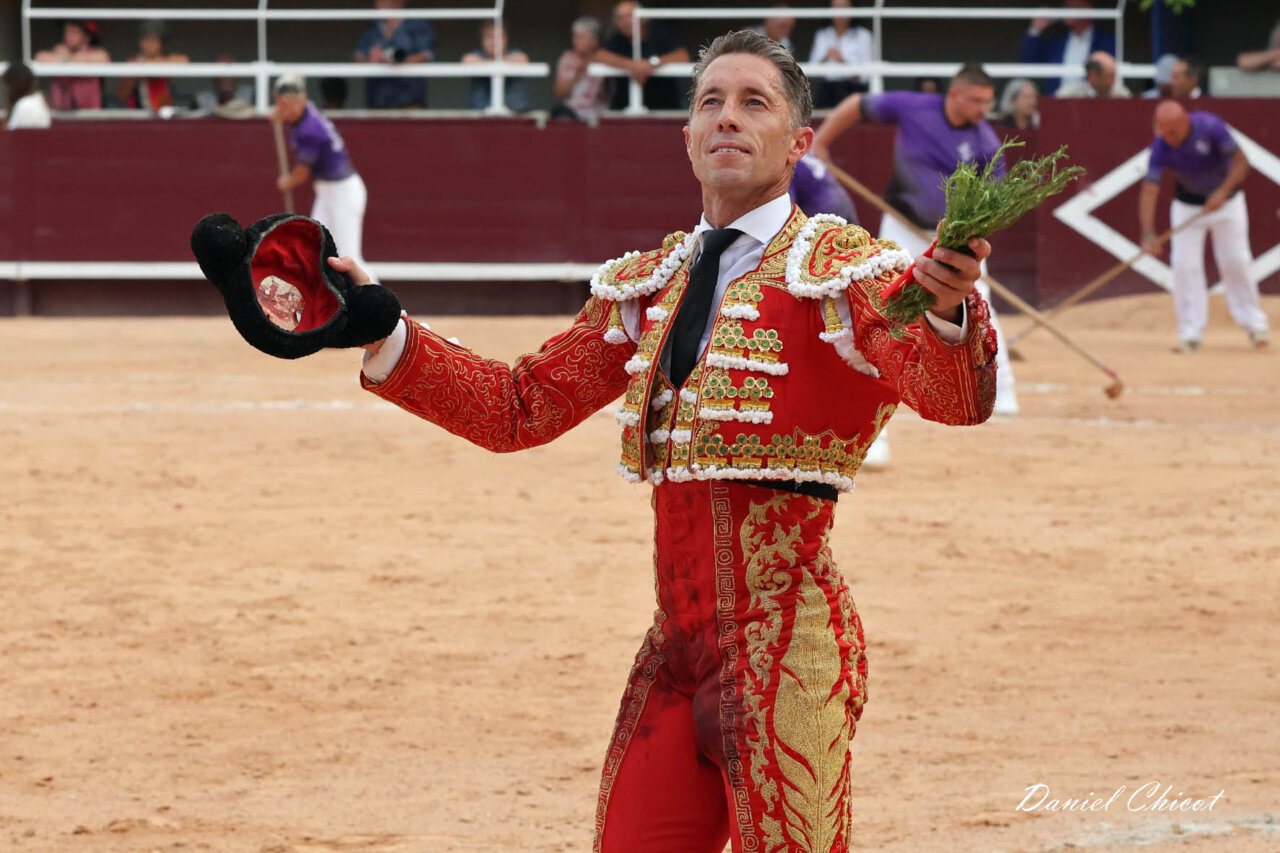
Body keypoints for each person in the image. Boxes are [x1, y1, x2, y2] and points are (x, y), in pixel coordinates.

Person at [336, 30, 997, 850]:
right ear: (685, 138)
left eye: (754, 102)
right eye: (710, 103)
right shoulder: (652, 282)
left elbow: (952, 396)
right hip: (675, 656)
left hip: (787, 652)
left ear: (797, 144)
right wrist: (383, 330)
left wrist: (946, 311)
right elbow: (519, 407)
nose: (727, 117)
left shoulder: (843, 271)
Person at [812, 62, 1021, 417]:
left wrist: (967, 235)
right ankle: (870, 386)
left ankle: (1001, 391)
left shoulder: (986, 140)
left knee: (977, 303)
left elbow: (998, 198)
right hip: (901, 225)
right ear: (955, 93)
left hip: (950, 238)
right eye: (976, 100)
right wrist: (821, 142)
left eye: (988, 102)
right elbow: (857, 104)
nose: (983, 110)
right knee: (879, 298)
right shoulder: (914, 106)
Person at [1138, 101, 1270, 352]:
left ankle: (1255, 325)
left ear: (1185, 122)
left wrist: (1222, 192)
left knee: (1235, 260)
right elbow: (1150, 189)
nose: (1170, 139)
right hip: (1188, 206)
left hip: (1228, 203)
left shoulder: (1210, 126)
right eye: (1164, 133)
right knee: (1184, 265)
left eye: (1173, 133)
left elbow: (1242, 162)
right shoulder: (1161, 145)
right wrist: (1148, 232)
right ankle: (1190, 332)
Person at [272, 73, 375, 283]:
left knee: (349, 257)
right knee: (316, 247)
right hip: (329, 192)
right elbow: (290, 105)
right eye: (282, 105)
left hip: (342, 193)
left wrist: (287, 182)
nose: (286, 110)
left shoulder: (310, 130)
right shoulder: (307, 110)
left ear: (302, 100)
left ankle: (384, 308)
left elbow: (301, 173)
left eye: (289, 106)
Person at [596, 1, 690, 111]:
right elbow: (600, 55)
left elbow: (683, 56)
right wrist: (633, 65)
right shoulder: (618, 39)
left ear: (643, 18)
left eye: (630, 16)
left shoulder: (658, 33)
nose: (626, 22)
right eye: (620, 18)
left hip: (664, 109)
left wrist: (651, 64)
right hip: (624, 111)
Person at [1020, 0, 1116, 95]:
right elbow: (1029, 64)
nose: (1065, 9)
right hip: (1057, 102)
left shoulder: (1106, 41)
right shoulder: (1056, 40)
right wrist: (1035, 30)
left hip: (1091, 103)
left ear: (1088, 7)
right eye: (1065, 5)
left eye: (1071, 5)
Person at [354, 0, 436, 109]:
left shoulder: (417, 24)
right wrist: (371, 58)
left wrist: (401, 61)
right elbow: (359, 56)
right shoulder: (372, 27)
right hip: (378, 100)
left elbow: (426, 55)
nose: (379, 3)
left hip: (409, 100)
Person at [807, 0, 873, 108]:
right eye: (836, 7)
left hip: (852, 90)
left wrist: (842, 60)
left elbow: (865, 76)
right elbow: (811, 72)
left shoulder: (863, 35)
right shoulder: (822, 35)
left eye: (844, 7)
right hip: (827, 89)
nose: (840, 12)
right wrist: (825, 58)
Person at [34, 20, 110, 110]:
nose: (69, 36)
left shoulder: (97, 53)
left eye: (74, 32)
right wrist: (66, 58)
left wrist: (66, 59)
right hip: (60, 111)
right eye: (67, 32)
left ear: (86, 37)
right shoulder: (59, 50)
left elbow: (103, 59)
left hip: (88, 112)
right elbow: (40, 57)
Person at [116, 20, 189, 113]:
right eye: (147, 40)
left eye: (154, 40)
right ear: (140, 42)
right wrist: (136, 74)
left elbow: (184, 60)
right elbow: (121, 96)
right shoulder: (133, 62)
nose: (150, 45)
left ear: (161, 43)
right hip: (139, 113)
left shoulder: (168, 59)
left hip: (163, 113)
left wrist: (150, 66)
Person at [462, 21, 532, 112]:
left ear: (506, 39)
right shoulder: (476, 56)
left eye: (498, 37)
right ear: (482, 40)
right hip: (480, 116)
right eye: (489, 37)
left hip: (518, 114)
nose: (494, 42)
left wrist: (490, 63)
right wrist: (497, 62)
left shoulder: (515, 55)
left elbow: (523, 59)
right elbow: (467, 60)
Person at [552, 17, 611, 124]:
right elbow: (560, 94)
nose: (575, 40)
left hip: (598, 112)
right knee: (561, 116)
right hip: (571, 111)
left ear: (594, 41)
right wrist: (577, 75)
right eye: (574, 36)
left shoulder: (604, 58)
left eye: (581, 37)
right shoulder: (567, 58)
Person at [1055, 51, 1130, 97]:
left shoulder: (1121, 95)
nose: (1114, 80)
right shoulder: (1068, 95)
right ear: (1093, 75)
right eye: (1110, 76)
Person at [5, 63, 52, 130]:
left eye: (8, 85)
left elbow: (14, 136)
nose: (7, 90)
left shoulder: (26, 105)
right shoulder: (38, 101)